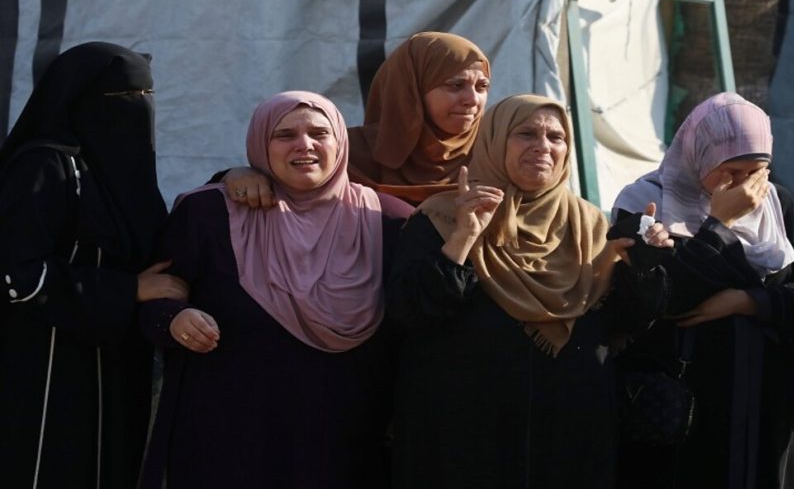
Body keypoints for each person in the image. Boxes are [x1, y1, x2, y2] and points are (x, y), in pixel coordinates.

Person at [386, 94, 672, 489]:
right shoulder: (444, 217)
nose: (543, 146)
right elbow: (409, 309)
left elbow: (627, 323)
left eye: (557, 137)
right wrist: (464, 238)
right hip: (464, 436)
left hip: (568, 437)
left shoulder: (591, 227)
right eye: (525, 134)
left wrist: (642, 266)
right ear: (494, 139)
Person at [138, 91, 408, 488]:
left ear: (340, 141)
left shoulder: (389, 221)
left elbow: (417, 319)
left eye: (320, 133)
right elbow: (156, 297)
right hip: (228, 438)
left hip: (343, 440)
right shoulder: (208, 213)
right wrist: (175, 319)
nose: (305, 145)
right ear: (260, 144)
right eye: (285, 135)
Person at [0, 42, 185, 489]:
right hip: (45, 363)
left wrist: (233, 180)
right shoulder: (45, 166)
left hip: (115, 362)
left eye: (146, 96)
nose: (139, 107)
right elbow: (17, 274)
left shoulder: (120, 173)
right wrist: (128, 290)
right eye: (125, 97)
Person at [612, 92, 794, 489]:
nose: (744, 186)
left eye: (757, 172)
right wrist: (718, 225)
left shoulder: (778, 206)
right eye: (731, 171)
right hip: (684, 401)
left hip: (763, 400)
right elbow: (660, 301)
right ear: (699, 155)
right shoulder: (645, 203)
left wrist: (749, 302)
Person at [225, 31, 490, 207]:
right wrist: (236, 175)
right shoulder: (341, 152)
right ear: (410, 91)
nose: (472, 100)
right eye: (455, 85)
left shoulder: (494, 154)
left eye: (482, 87)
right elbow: (281, 178)